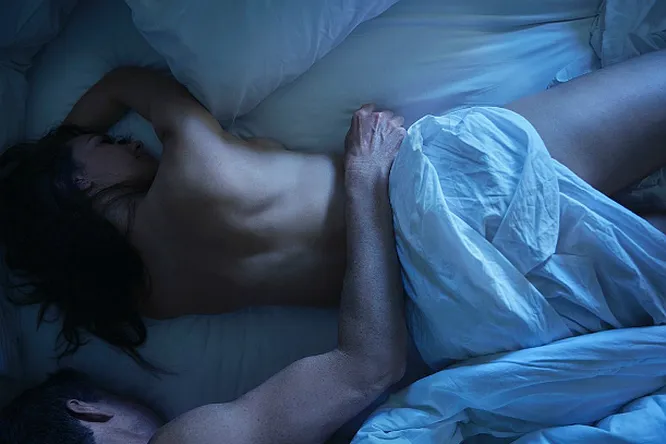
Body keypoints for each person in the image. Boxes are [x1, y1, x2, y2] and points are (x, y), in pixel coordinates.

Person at [0, 107, 409, 443]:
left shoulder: (149, 295)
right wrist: (365, 174)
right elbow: (370, 364)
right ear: (88, 411)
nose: (130, 144)